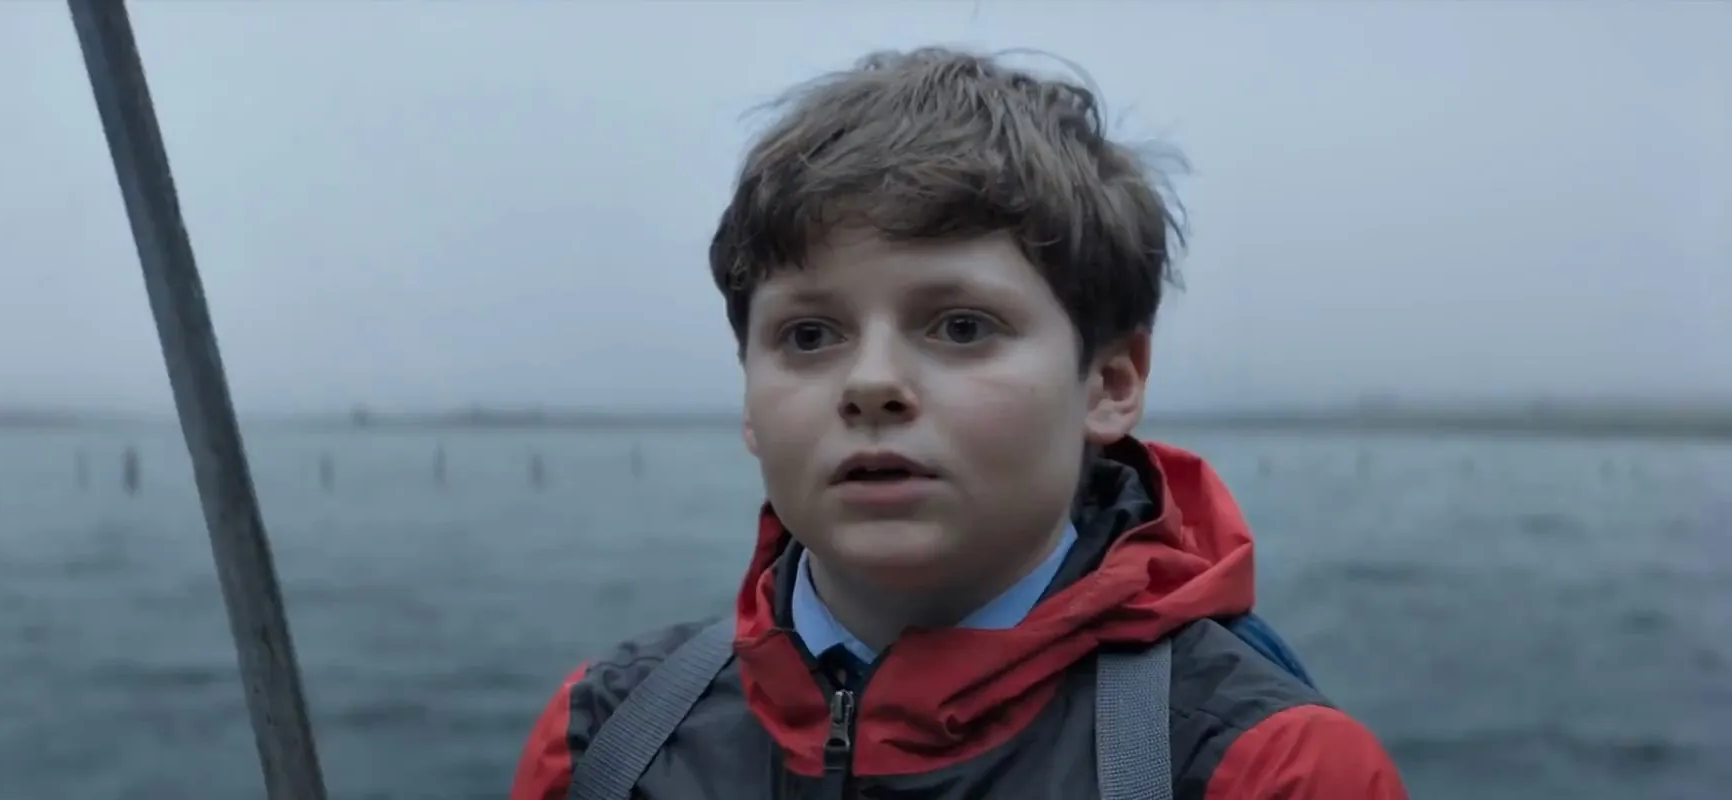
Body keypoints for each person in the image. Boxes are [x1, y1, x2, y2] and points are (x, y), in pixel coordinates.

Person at [510, 46, 1407, 799]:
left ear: (1109, 381)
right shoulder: (605, 741)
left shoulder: (1266, 769)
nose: (870, 384)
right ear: (750, 398)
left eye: (962, 327)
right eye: (809, 335)